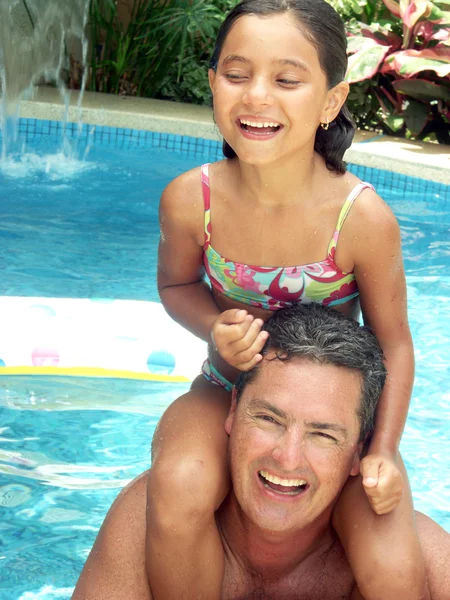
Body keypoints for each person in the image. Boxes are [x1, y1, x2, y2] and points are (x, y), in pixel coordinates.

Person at [150, 1, 418, 598]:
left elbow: (396, 344)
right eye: (237, 74)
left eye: (288, 80)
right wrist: (215, 326)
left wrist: (384, 450)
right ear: (214, 81)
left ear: (330, 100)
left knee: (394, 563)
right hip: (225, 386)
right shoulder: (191, 200)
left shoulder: (360, 218)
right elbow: (175, 286)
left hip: (332, 417)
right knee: (176, 484)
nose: (257, 97)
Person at [72, 304, 450, 599]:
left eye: (323, 435)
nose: (287, 458)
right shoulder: (149, 524)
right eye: (269, 418)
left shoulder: (419, 561)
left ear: (358, 453)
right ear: (233, 410)